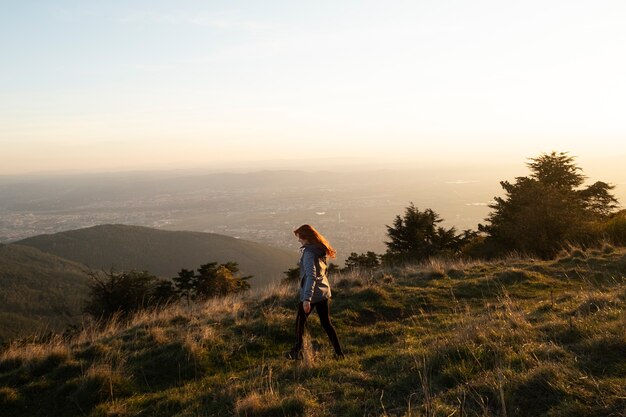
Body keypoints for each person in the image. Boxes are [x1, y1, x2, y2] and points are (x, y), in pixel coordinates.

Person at [285, 224, 344, 360]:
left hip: (312, 294)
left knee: (300, 322)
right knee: (327, 324)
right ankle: (339, 354)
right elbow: (321, 272)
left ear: (306, 238)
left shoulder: (309, 253)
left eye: (299, 237)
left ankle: (297, 352)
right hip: (323, 292)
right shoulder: (320, 249)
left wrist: (307, 299)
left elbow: (311, 276)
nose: (299, 240)